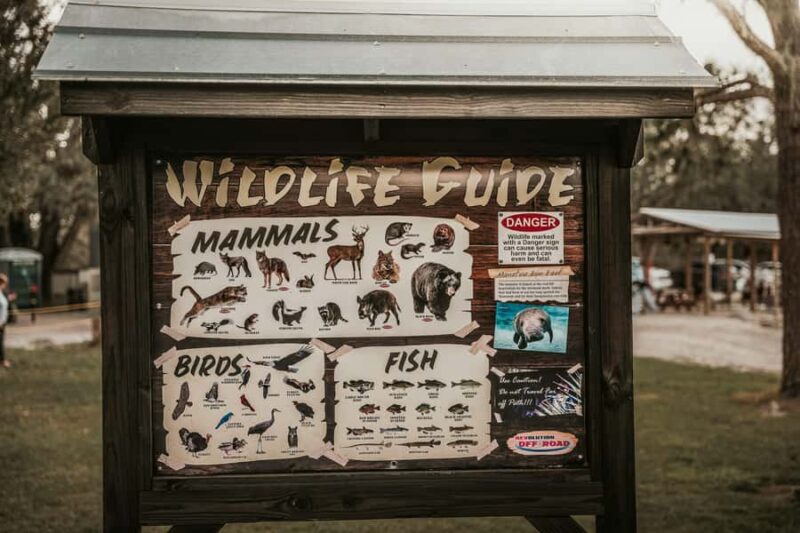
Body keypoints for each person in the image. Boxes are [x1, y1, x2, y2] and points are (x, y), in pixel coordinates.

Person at [0, 273, 9, 368]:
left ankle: (2, 360)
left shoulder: (1, 293)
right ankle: (3, 361)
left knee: (1, 342)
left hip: (2, 323)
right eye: (4, 282)